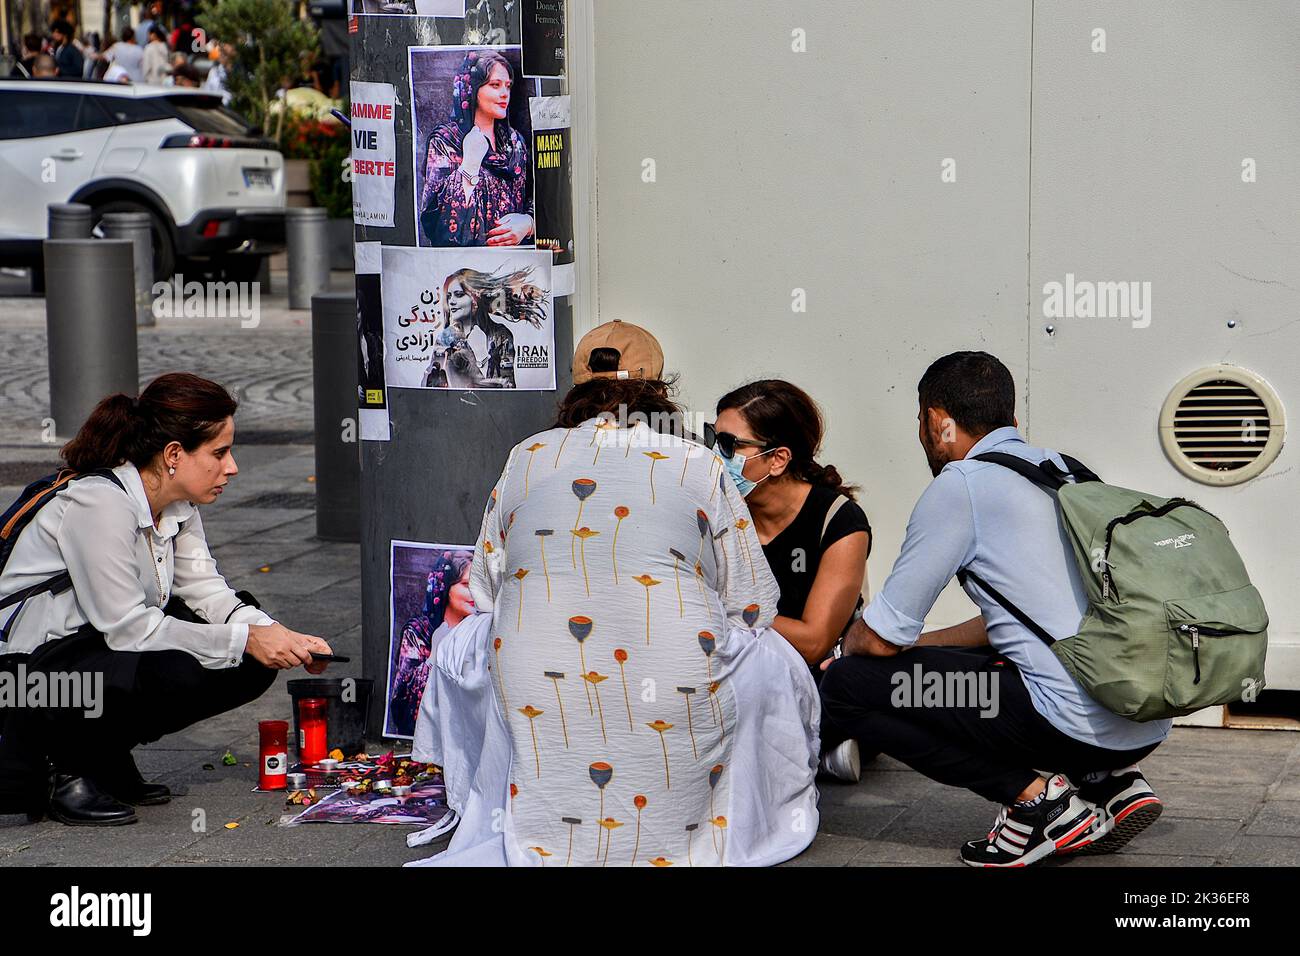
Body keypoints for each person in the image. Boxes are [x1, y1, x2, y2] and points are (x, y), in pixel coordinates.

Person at [408, 320, 820, 866]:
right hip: (678, 680)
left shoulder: (527, 456)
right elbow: (751, 606)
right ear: (660, 391)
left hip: (538, 676)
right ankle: (738, 814)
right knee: (770, 655)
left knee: (469, 638)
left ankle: (502, 807)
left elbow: (484, 590)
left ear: (576, 390)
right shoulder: (699, 464)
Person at [818, 351, 1170, 867]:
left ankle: (1037, 801)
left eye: (920, 419)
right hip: (1142, 719)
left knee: (848, 686)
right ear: (1012, 419)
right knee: (976, 667)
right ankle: (1107, 781)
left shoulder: (962, 485)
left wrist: (845, 645)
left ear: (939, 421)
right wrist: (925, 647)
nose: (921, 433)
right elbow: (1015, 621)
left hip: (1065, 723)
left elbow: (883, 636)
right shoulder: (1067, 472)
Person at [0, 373, 334, 826]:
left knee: (248, 660)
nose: (232, 467)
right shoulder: (100, 503)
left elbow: (207, 591)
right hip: (27, 673)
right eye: (219, 453)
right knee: (196, 654)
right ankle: (66, 769)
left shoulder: (177, 503)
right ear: (174, 455)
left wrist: (277, 635)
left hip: (85, 652)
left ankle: (103, 753)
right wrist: (243, 639)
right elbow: (127, 627)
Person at [711, 380, 871, 781]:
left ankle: (827, 741)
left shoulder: (838, 520)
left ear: (778, 459)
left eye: (732, 445)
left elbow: (815, 640)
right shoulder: (716, 511)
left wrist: (724, 608)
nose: (717, 456)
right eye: (714, 440)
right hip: (733, 662)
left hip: (810, 671)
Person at [417, 49, 534, 247]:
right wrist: (470, 164)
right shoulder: (446, 141)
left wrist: (529, 223)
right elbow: (437, 226)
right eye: (495, 85)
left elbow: (537, 197)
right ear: (471, 89)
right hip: (464, 266)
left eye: (508, 86)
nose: (504, 93)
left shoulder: (516, 143)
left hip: (515, 263)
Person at [388, 552, 473, 737]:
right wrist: (435, 655)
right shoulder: (419, 632)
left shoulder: (481, 629)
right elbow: (402, 703)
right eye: (466, 584)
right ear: (444, 588)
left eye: (478, 584)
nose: (474, 592)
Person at [421, 267, 547, 389]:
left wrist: (480, 355)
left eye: (459, 295)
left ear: (475, 297)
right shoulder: (446, 337)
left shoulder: (500, 335)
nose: (451, 301)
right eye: (449, 296)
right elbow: (430, 387)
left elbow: (506, 387)